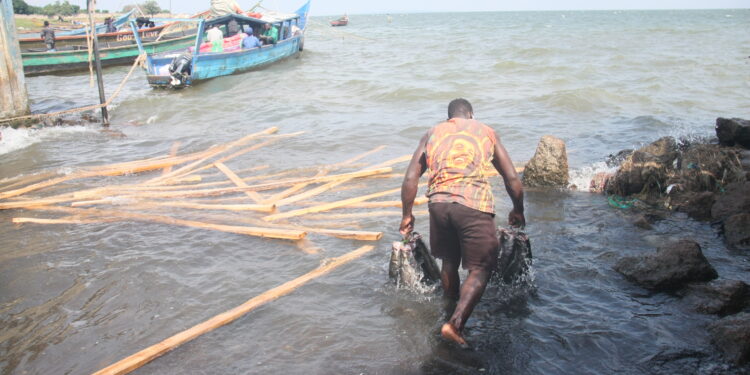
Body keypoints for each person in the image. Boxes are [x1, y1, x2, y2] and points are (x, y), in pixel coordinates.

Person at [400, 98, 525, 347]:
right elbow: (511, 177)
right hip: (473, 205)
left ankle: (449, 310)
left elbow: (411, 176)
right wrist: (518, 209)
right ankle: (455, 325)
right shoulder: (486, 132)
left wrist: (407, 214)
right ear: (471, 114)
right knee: (481, 267)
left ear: (449, 117)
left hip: (438, 204)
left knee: (449, 260)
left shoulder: (432, 133)